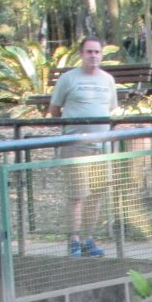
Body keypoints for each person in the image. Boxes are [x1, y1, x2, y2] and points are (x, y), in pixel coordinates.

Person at [49, 36, 118, 257]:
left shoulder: (108, 80)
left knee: (96, 195)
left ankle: (89, 238)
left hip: (101, 147)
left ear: (102, 55)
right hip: (76, 146)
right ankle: (74, 241)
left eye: (97, 52)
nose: (93, 56)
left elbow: (110, 108)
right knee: (77, 195)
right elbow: (54, 110)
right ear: (81, 54)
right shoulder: (68, 79)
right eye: (89, 52)